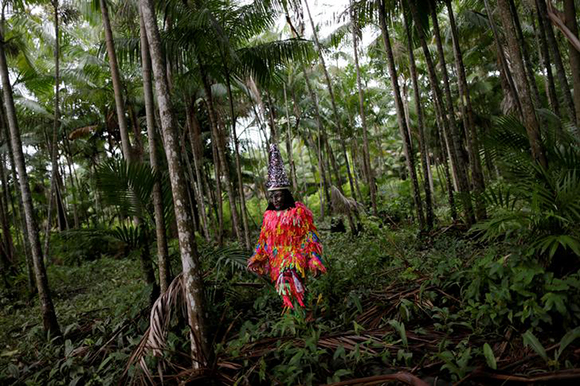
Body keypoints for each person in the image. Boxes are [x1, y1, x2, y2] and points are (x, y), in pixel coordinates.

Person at [248, 144, 326, 309]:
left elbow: (310, 236)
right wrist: (257, 258)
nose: (276, 200)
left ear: (287, 195)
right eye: (273, 197)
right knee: (286, 292)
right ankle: (297, 319)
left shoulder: (298, 212)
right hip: (277, 261)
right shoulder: (268, 217)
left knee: (293, 284)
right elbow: (264, 240)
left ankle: (302, 317)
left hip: (294, 257)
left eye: (279, 196)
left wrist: (314, 259)